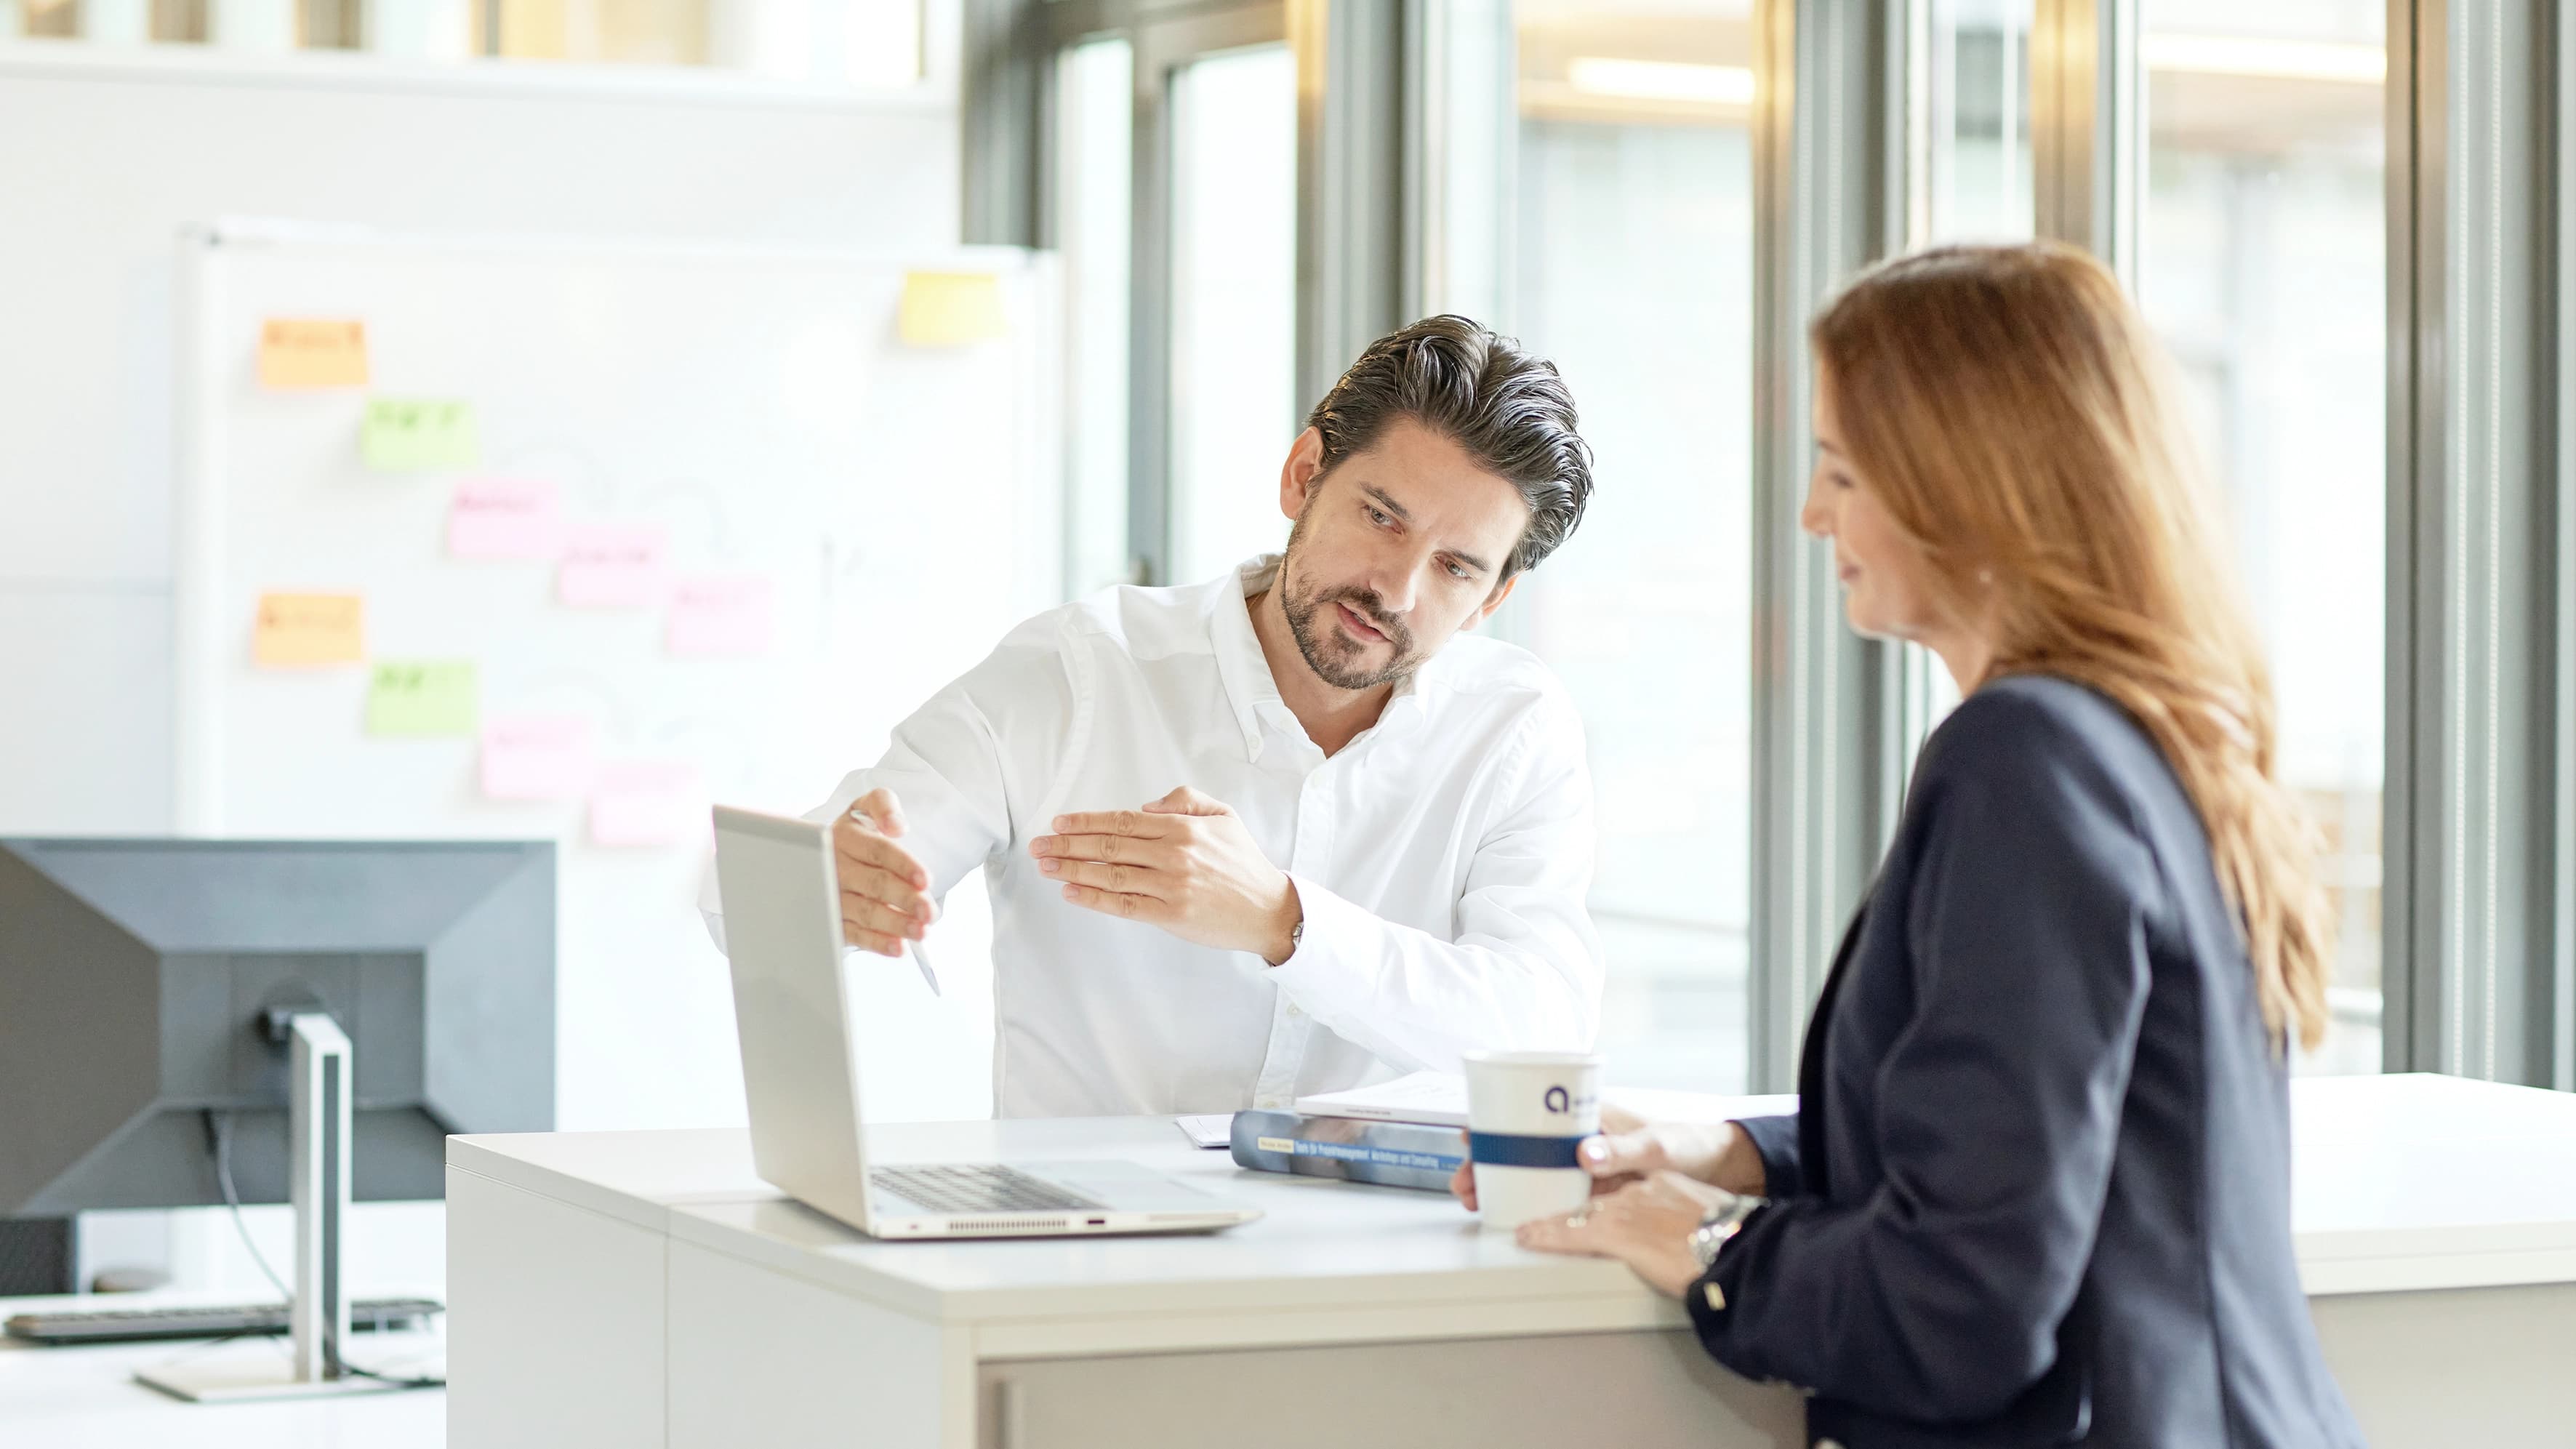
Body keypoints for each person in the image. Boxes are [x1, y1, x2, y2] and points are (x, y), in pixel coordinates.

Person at [1462, 244, 2366, 1447]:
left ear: (1967, 483)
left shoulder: (2023, 754)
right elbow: (2029, 1151)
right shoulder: (2146, 734)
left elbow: (1962, 1302)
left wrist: (1713, 1243)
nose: (1809, 512)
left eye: (1840, 467)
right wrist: (1732, 1151)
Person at [703, 315, 1605, 1118]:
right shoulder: (1079, 672)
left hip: (1385, 1266)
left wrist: (1284, 921)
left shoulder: (1513, 730)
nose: (1396, 588)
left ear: (1494, 597)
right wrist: (822, 885)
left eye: (1456, 567)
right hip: (1089, 1261)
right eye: (1381, 517)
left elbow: (1542, 1032)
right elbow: (753, 893)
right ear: (1303, 474)